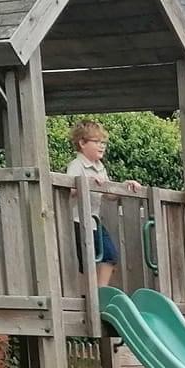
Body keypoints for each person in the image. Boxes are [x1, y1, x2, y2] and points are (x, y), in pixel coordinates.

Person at [66, 121, 122, 289]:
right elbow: (68, 190)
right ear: (82, 143)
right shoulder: (77, 165)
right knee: (85, 262)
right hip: (78, 221)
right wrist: (86, 183)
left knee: (110, 255)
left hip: (94, 221)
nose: (101, 146)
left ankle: (100, 291)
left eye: (103, 142)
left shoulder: (100, 167)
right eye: (96, 142)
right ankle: (87, 295)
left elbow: (109, 195)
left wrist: (124, 187)